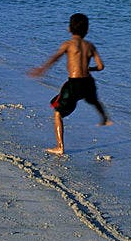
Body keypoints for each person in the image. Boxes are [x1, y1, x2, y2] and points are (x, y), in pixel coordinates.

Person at [28, 13, 111, 155]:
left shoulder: (68, 44)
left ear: (69, 29)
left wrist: (42, 69)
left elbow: (55, 58)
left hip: (74, 84)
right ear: (87, 30)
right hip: (88, 82)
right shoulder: (90, 46)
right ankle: (105, 118)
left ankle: (60, 147)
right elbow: (101, 66)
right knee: (93, 100)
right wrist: (88, 68)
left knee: (57, 112)